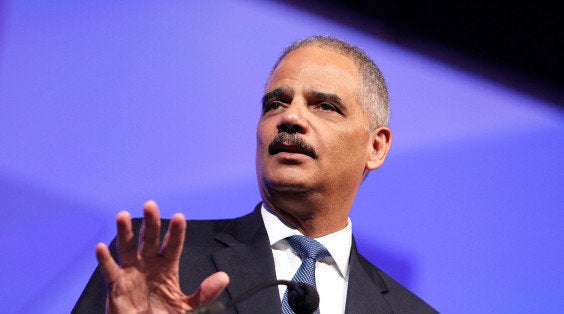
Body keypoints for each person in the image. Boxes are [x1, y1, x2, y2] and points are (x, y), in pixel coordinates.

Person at [73, 35, 437, 313]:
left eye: (324, 106)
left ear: (376, 147)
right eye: (275, 104)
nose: (290, 118)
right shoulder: (156, 258)